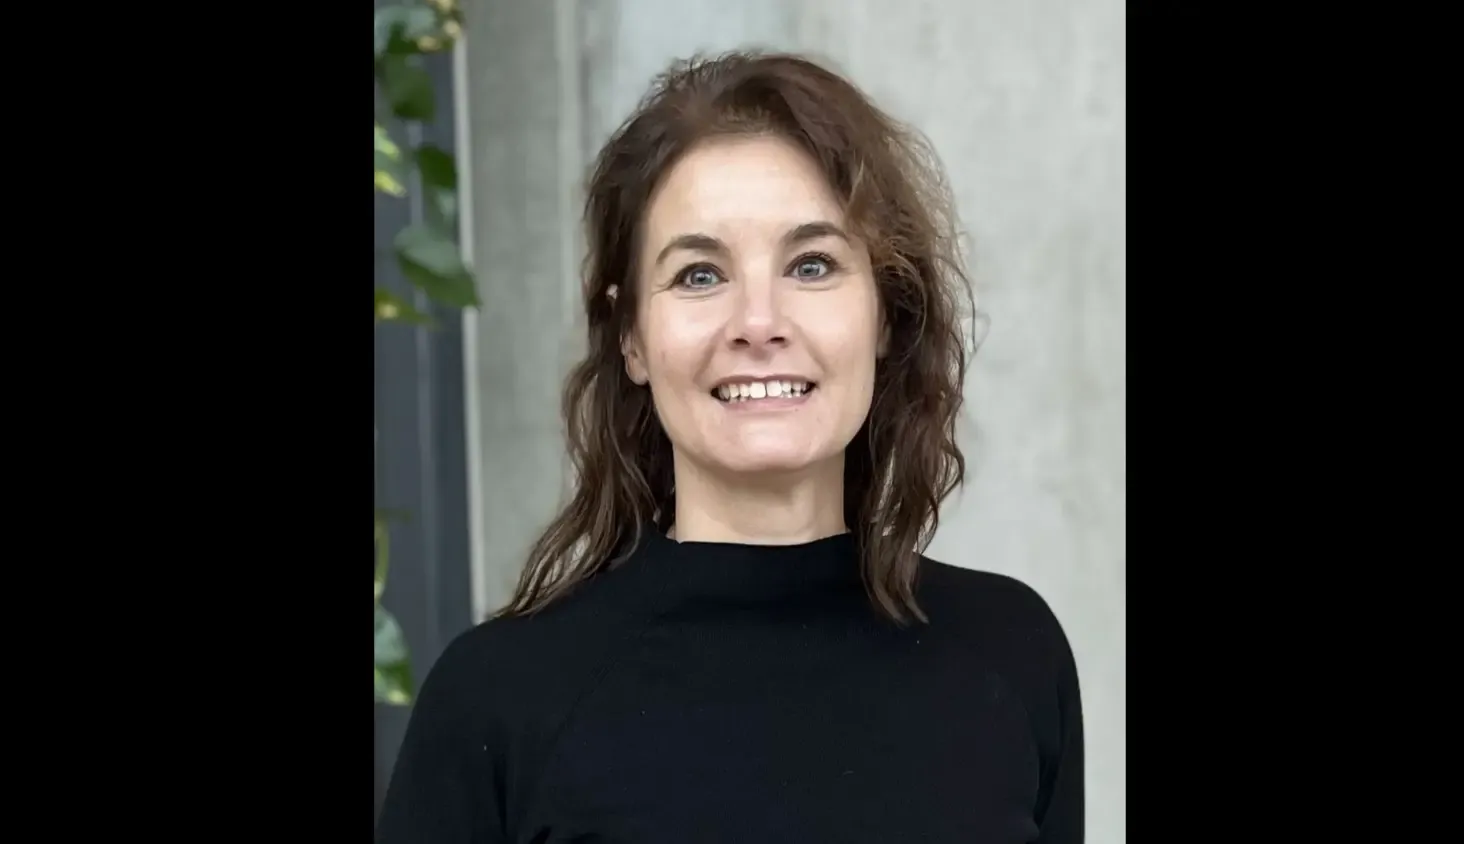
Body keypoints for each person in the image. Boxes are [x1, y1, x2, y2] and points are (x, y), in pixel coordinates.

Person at [376, 50, 1084, 844]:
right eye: (700, 276)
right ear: (631, 336)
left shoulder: (1012, 655)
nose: (758, 322)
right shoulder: (496, 700)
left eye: (811, 265)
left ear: (884, 315)